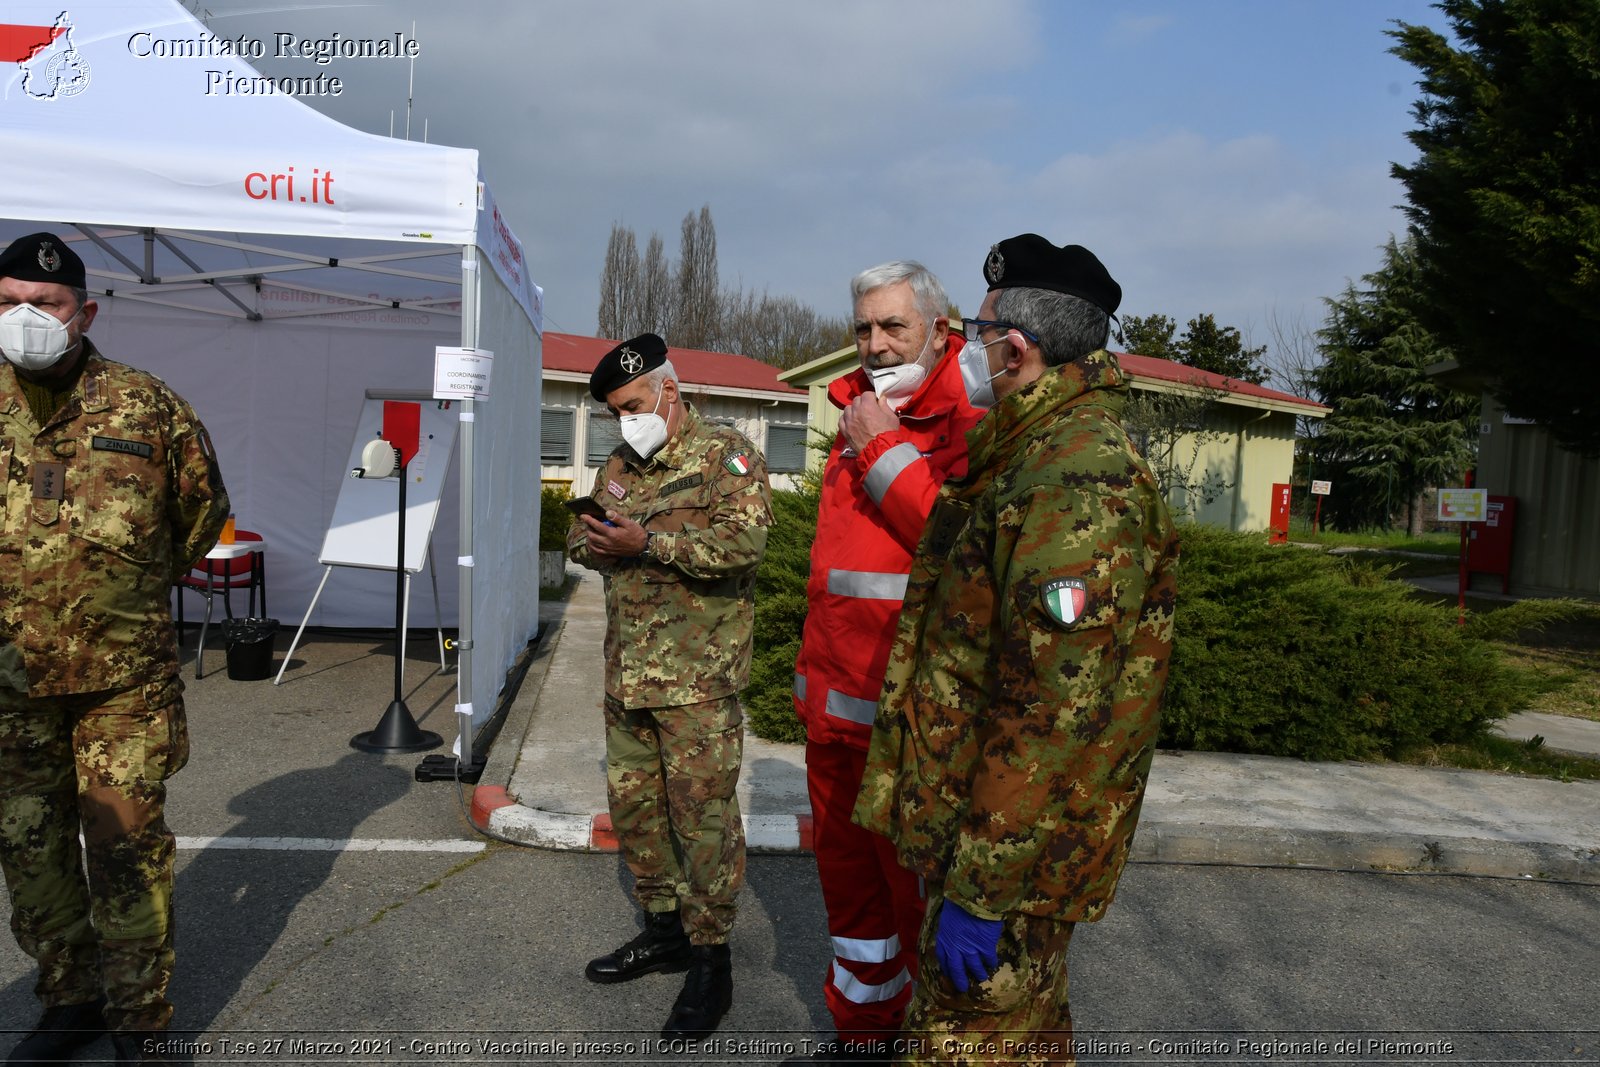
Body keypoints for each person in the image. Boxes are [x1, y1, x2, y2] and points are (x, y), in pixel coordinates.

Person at [852, 234, 1179, 1062]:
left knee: (966, 1045)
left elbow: (1047, 710)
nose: (968, 345)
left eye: (979, 328)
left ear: (1017, 348)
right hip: (997, 844)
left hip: (1009, 863)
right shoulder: (1034, 449)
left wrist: (982, 889)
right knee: (1023, 1042)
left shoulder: (1075, 475)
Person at [0, 232, 229, 1065]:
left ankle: (141, 1021)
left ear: (84, 312)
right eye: (7, 301)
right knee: (32, 852)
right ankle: (70, 997)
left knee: (127, 852)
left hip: (121, 684)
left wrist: (122, 597)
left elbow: (201, 517)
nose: (25, 317)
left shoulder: (148, 407)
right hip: (10, 682)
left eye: (47, 304)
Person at [791, 262, 983, 1061]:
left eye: (892, 326)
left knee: (915, 908)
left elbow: (965, 557)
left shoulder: (972, 419)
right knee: (855, 907)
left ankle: (932, 1044)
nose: (873, 344)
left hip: (908, 732)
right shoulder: (852, 412)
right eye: (863, 327)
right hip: (833, 722)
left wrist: (886, 451)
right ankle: (863, 1033)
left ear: (939, 330)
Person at [567, 333, 772, 1039]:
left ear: (668, 392)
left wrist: (648, 543)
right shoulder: (622, 464)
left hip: (696, 684)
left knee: (703, 823)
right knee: (638, 813)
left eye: (632, 405)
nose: (626, 422)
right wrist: (593, 540)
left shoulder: (726, 456)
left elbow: (745, 546)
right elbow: (587, 532)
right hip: (628, 675)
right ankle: (663, 930)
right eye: (616, 412)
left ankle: (712, 961)